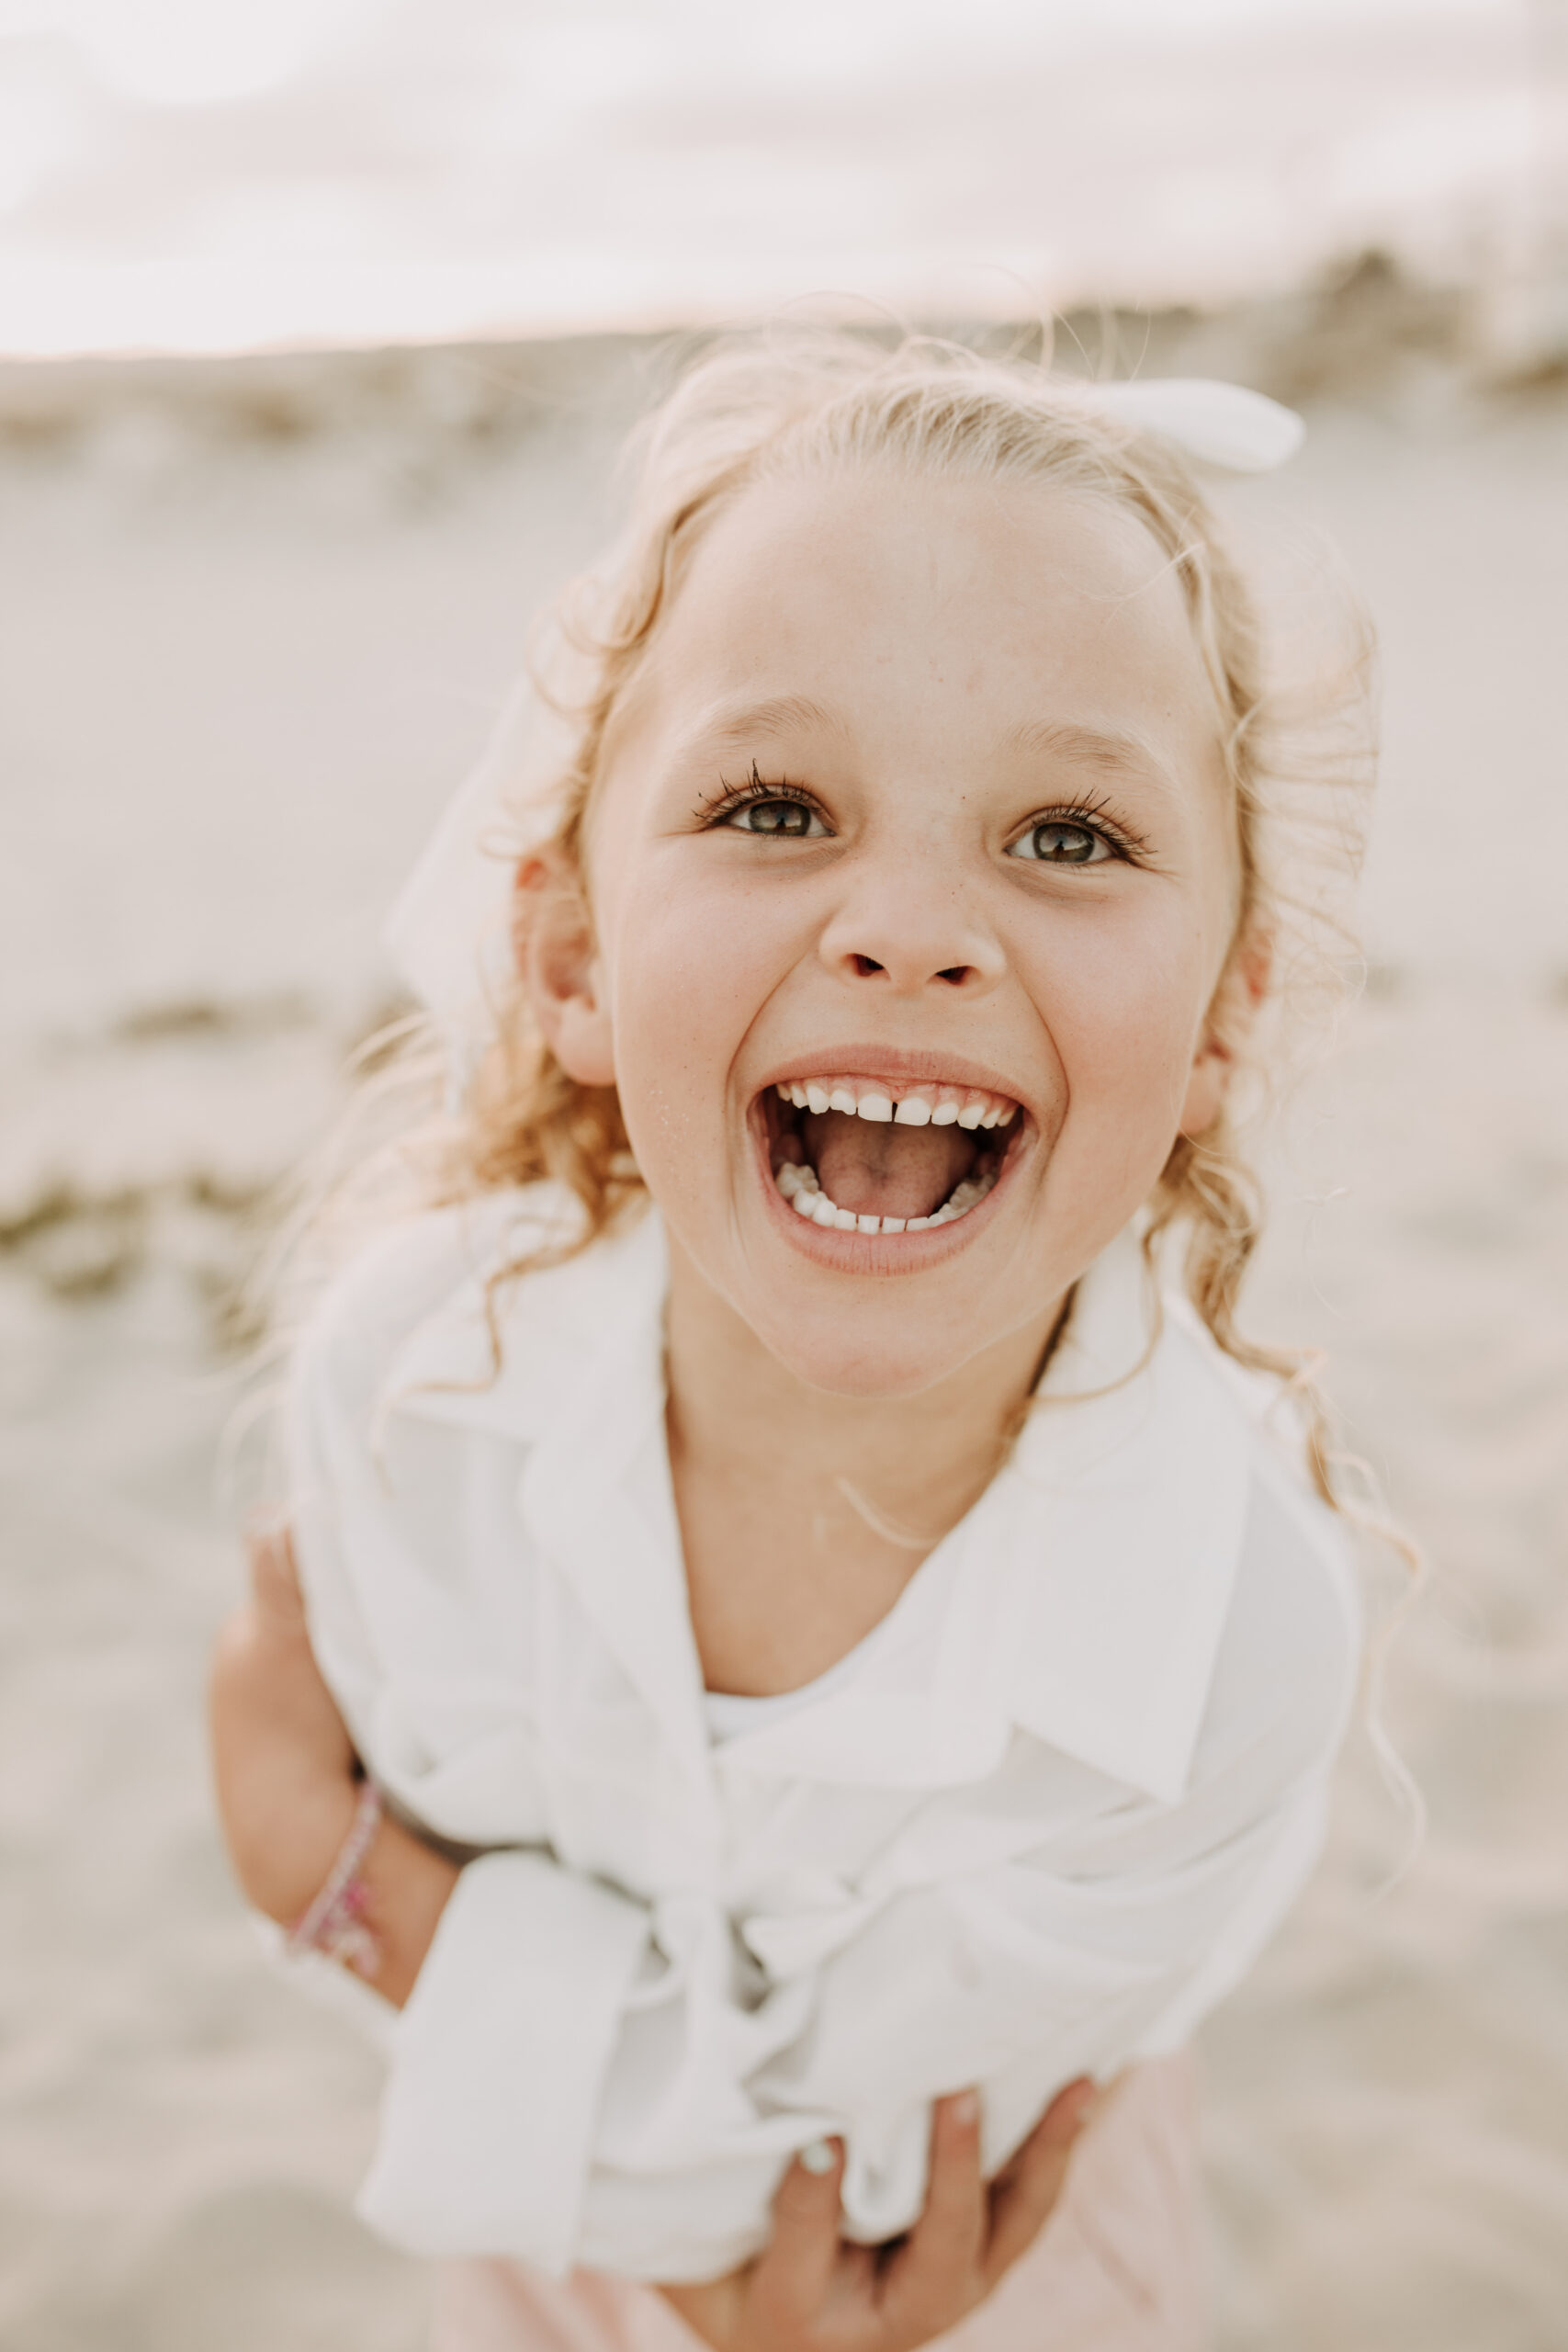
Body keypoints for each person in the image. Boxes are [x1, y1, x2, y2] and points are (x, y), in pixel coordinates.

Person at [209, 333, 1373, 2352]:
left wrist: (348, 1882)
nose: (909, 925)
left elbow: (849, 2216)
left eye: (1068, 835)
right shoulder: (414, 1386)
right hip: (525, 2238)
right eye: (772, 802)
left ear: (1216, 1021)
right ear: (567, 953)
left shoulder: (1228, 1622)